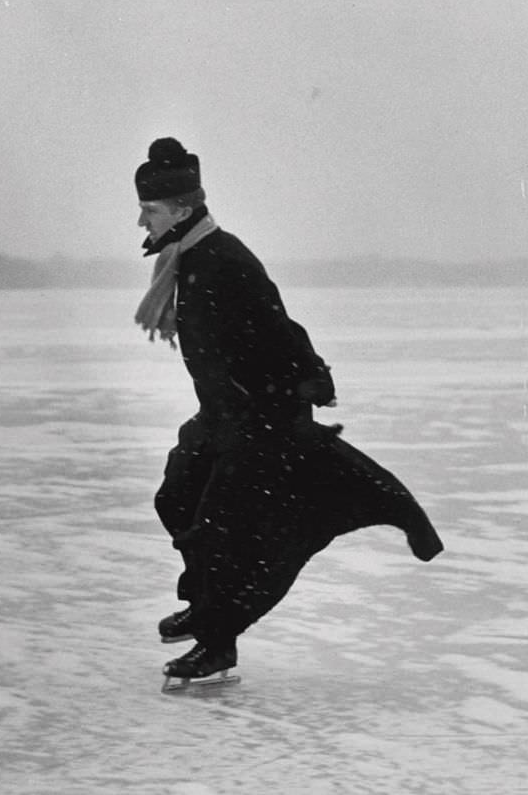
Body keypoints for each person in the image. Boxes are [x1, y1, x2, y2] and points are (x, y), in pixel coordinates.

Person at [134, 137, 443, 684]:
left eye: (151, 210)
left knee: (224, 531)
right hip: (222, 415)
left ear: (182, 210)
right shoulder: (186, 259)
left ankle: (216, 640)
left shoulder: (224, 260)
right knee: (176, 497)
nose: (141, 220)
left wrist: (309, 377)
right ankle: (204, 602)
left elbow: (274, 322)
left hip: (260, 417)